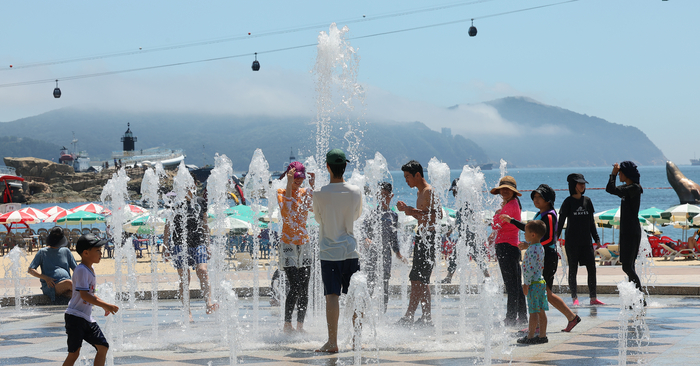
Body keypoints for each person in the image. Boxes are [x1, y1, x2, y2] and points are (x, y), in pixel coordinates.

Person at [500, 184, 582, 332]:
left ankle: (540, 325)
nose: (536, 200)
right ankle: (570, 318)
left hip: (547, 257)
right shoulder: (541, 214)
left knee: (541, 291)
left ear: (548, 200)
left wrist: (528, 244)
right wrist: (512, 220)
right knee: (545, 292)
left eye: (540, 197)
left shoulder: (549, 215)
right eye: (535, 197)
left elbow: (550, 238)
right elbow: (530, 229)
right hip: (542, 256)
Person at [312, 148, 363, 353]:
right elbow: (356, 216)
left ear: (327, 167)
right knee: (355, 296)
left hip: (329, 252)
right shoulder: (355, 192)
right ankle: (357, 340)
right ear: (345, 167)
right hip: (351, 250)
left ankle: (332, 342)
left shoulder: (319, 194)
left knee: (332, 296)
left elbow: (318, 219)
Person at [396, 160, 442, 327]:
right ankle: (423, 317)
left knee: (419, 279)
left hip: (429, 238)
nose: (406, 180)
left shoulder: (429, 191)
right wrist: (408, 210)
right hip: (422, 237)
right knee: (419, 279)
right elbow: (422, 216)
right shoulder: (419, 193)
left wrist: (411, 211)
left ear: (417, 175)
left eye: (408, 177)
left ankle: (414, 317)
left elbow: (438, 217)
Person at [63, 234, 119, 366]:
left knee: (103, 347)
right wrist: (107, 305)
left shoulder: (90, 269)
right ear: (86, 253)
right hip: (75, 317)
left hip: (85, 317)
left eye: (101, 250)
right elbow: (85, 296)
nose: (101, 253)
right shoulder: (81, 270)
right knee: (74, 353)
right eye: (98, 251)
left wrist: (104, 305)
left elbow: (90, 293)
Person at [164, 187, 218, 316]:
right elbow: (168, 224)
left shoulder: (200, 201)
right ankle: (187, 311)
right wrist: (165, 245)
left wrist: (208, 245)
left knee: (203, 271)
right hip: (179, 243)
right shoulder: (174, 203)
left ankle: (209, 303)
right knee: (185, 278)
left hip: (198, 242)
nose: (187, 189)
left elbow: (205, 224)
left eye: (190, 186)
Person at [277, 161, 315, 334]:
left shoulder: (305, 192)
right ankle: (287, 324)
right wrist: (289, 183)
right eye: (296, 178)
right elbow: (287, 212)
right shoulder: (281, 192)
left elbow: (314, 209)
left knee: (305, 287)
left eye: (301, 179)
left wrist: (313, 188)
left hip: (304, 243)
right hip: (288, 244)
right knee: (295, 285)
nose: (299, 182)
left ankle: (300, 325)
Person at [557, 173, 604, 306]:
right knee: (573, 269)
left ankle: (593, 298)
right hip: (572, 242)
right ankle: (574, 298)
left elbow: (591, 223)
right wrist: (555, 239)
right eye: (579, 183)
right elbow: (560, 223)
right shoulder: (568, 202)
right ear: (573, 185)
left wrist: (597, 239)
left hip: (586, 242)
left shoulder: (587, 201)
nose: (582, 185)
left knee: (592, 269)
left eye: (584, 183)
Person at [490, 176, 527, 326]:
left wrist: (497, 214)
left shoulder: (511, 205)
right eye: (502, 189)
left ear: (513, 191)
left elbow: (495, 224)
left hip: (506, 246)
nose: (504, 191)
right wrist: (499, 213)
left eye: (507, 189)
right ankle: (522, 316)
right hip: (510, 245)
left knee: (511, 284)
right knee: (515, 284)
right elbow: (498, 224)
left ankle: (511, 317)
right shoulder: (512, 204)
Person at [363, 182, 404, 313]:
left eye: (385, 195)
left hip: (386, 254)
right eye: (380, 195)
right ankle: (366, 311)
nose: (383, 198)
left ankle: (383, 313)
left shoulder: (393, 215)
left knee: (385, 283)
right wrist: (365, 238)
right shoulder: (372, 214)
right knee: (370, 283)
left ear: (391, 196)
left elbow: (394, 237)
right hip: (372, 254)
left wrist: (398, 253)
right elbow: (362, 229)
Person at [606, 161, 644, 293]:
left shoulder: (634, 188)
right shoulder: (628, 189)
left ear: (627, 174)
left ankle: (640, 296)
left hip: (631, 232)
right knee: (630, 267)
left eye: (621, 172)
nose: (619, 174)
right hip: (626, 232)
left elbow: (610, 189)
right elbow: (611, 189)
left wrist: (613, 174)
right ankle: (634, 299)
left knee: (627, 267)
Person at [442, 178, 487, 283]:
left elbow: (469, 221)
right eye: (453, 191)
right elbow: (459, 221)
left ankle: (488, 277)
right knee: (458, 256)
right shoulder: (463, 204)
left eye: (455, 190)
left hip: (469, 236)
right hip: (464, 236)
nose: (454, 193)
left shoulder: (466, 205)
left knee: (472, 256)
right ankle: (449, 277)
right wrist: (451, 230)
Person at [517, 220, 549, 344]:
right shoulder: (540, 247)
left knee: (533, 312)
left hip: (533, 284)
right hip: (540, 282)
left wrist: (526, 284)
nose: (524, 235)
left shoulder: (531, 250)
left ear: (533, 235)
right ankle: (542, 335)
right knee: (541, 310)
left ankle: (530, 336)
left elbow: (529, 269)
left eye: (526, 232)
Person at [28, 227, 77, 304]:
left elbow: (76, 269)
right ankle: (91, 296)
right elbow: (31, 270)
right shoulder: (42, 252)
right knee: (70, 284)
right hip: (51, 286)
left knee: (74, 295)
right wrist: (46, 278)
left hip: (66, 285)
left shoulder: (66, 251)